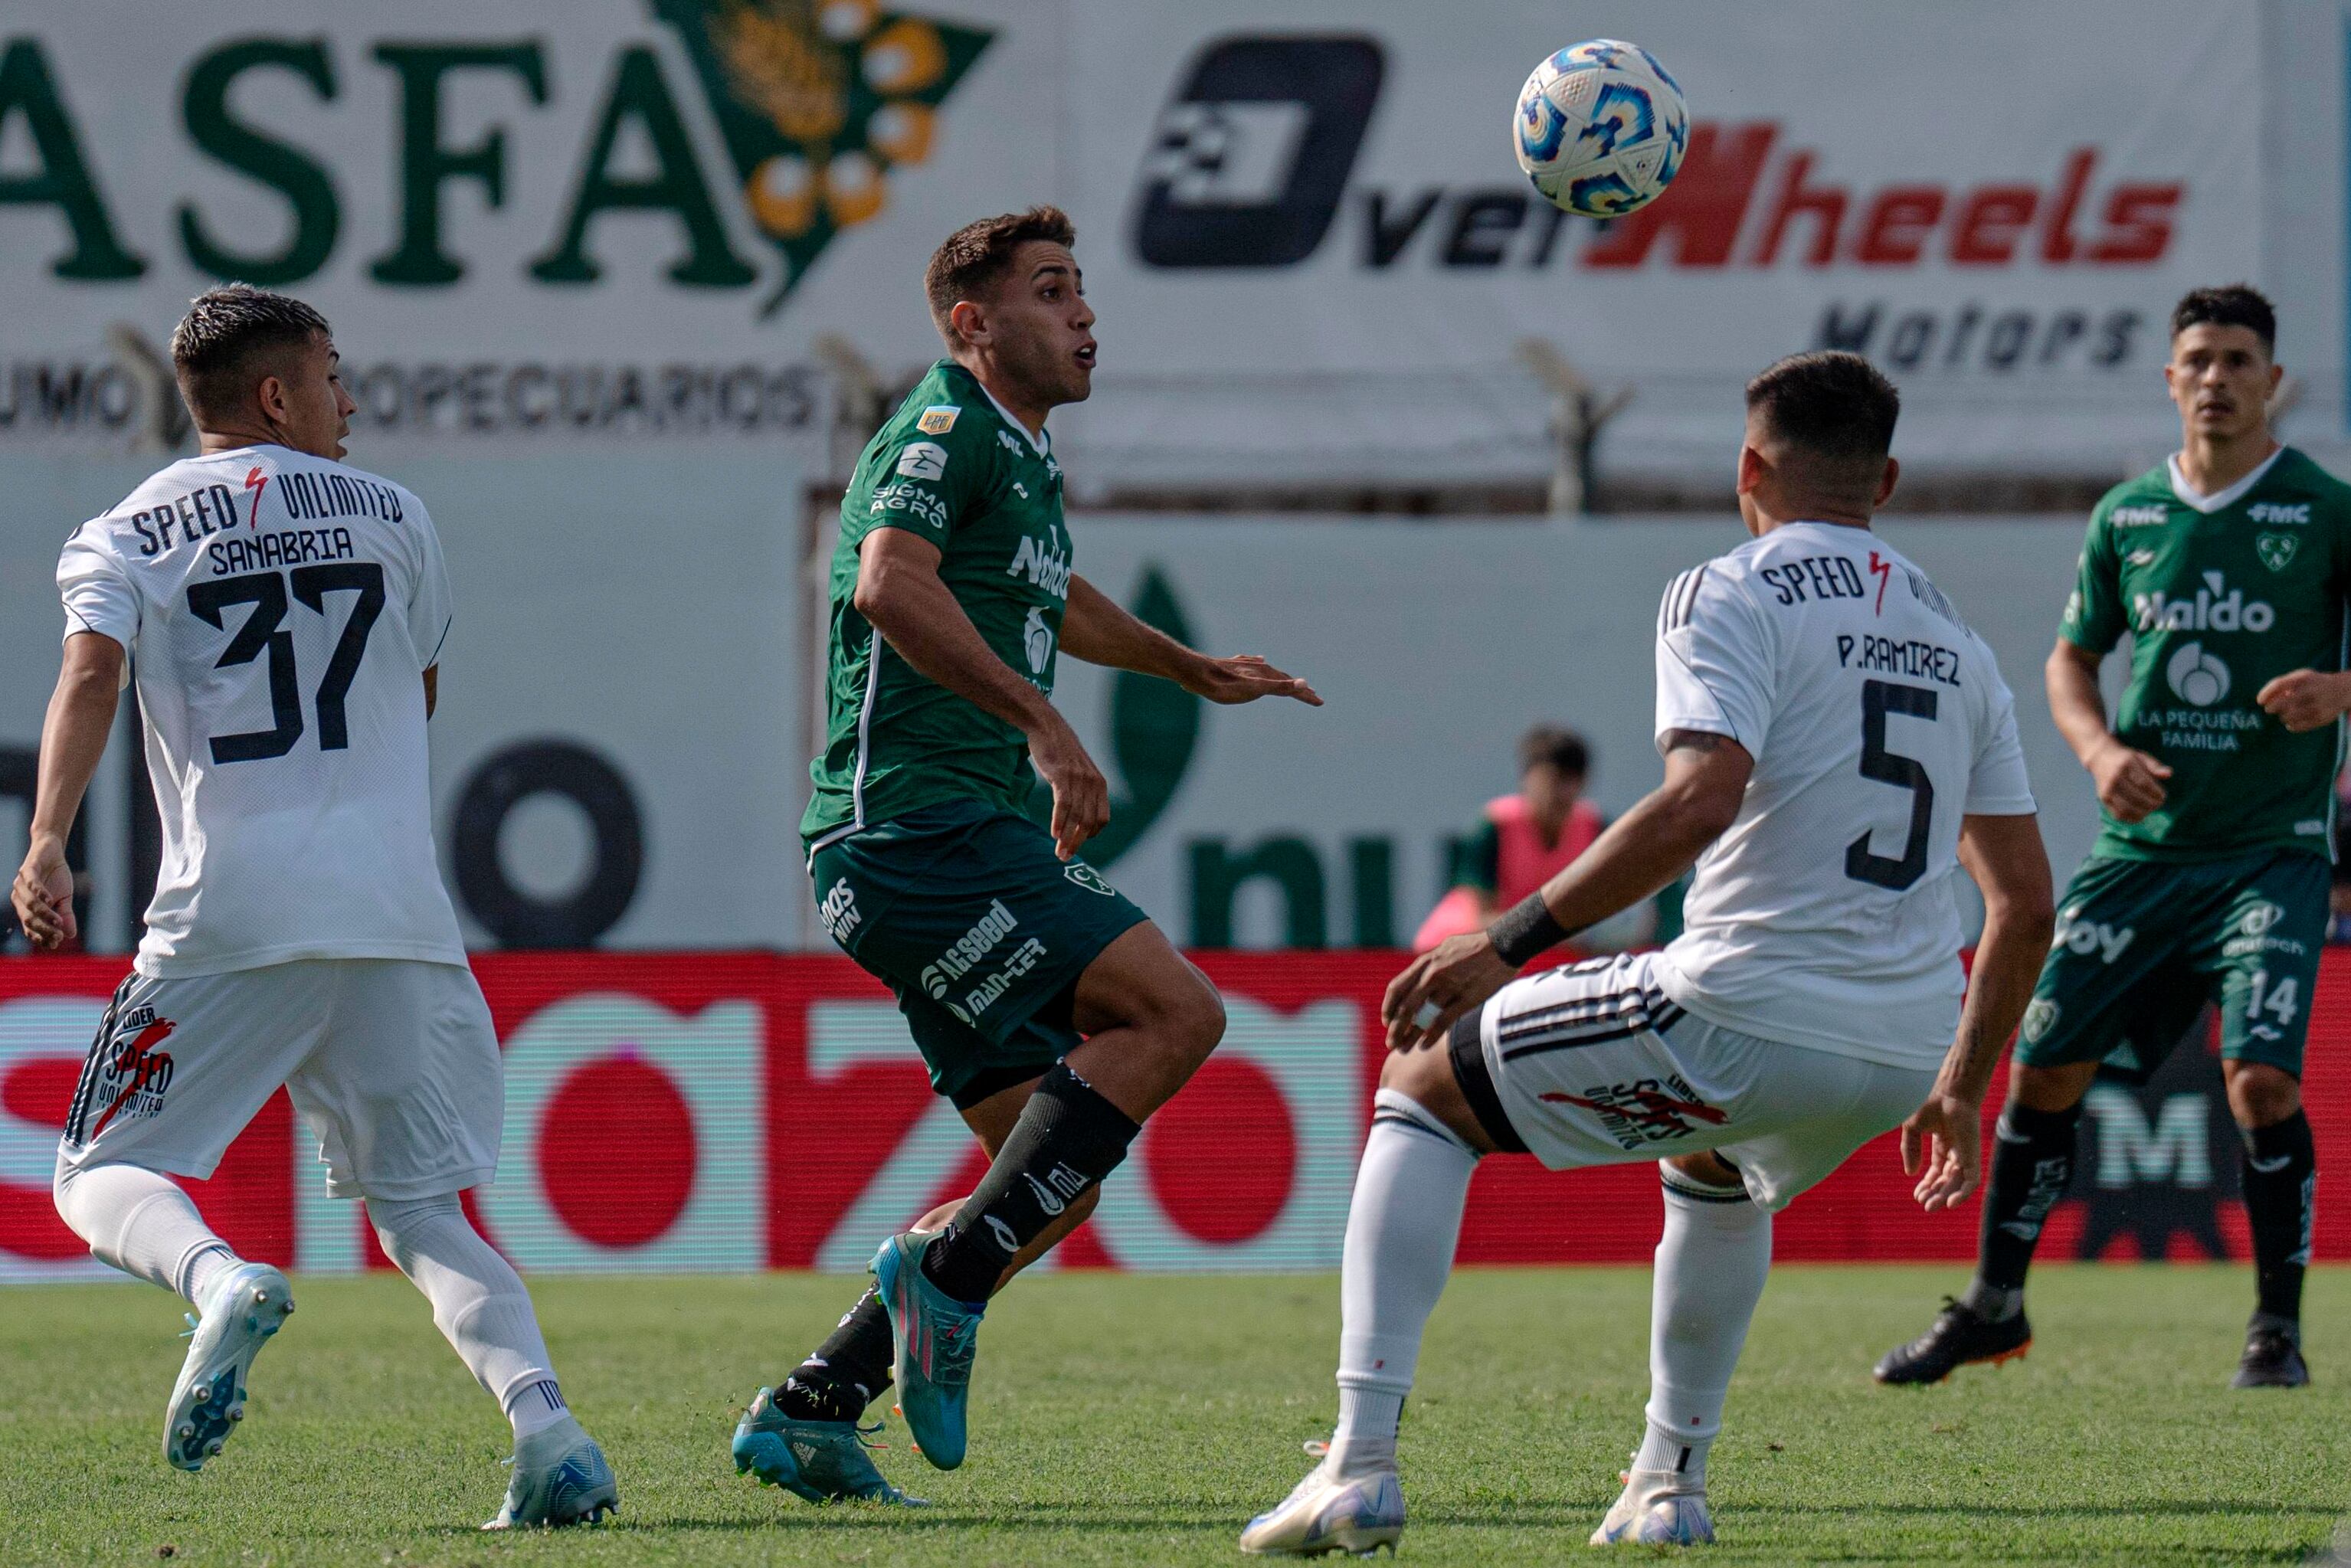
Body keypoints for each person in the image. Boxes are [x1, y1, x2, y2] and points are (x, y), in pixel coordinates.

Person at [1239, 351, 2054, 1554]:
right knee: (1712, 1163)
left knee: (1420, 1089)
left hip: (1743, 1001)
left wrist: (1500, 943)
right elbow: (2025, 902)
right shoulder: (1963, 645)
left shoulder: (1727, 589)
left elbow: (1693, 804)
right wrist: (1959, 1084)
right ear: (1884, 475)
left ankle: (1357, 1464)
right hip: (1897, 1049)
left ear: (1747, 469)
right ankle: (1668, 1484)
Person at [732, 207, 1321, 1504]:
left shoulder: (1019, 454)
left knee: (1040, 1190)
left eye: (1081, 291)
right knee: (1172, 1010)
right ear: (971, 323)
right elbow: (889, 579)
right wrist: (1051, 728)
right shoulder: (942, 427)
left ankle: (813, 1407)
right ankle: (940, 1286)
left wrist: (1181, 666)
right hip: (919, 824)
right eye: (1050, 292)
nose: (1082, 314)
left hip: (923, 839)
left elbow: (1047, 592)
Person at [12, 287, 617, 1527]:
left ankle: (216, 1278)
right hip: (397, 916)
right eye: (334, 376)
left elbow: (90, 671)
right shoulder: (398, 513)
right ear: (277, 396)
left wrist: (48, 839)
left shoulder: (128, 528)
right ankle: (547, 1431)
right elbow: (418, 687)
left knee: (99, 1170)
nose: (350, 399)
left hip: (228, 913)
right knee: (422, 1208)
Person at [1877, 284, 2347, 1392]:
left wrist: (2341, 687)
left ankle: (2274, 1329)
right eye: (2199, 358)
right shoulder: (2128, 515)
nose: (2218, 377)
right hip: (2140, 859)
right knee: (2038, 1069)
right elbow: (2069, 658)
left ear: (2272, 381)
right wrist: (2093, 752)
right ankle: (1994, 1304)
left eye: (2240, 358)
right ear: (2171, 378)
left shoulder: (2323, 510)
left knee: (2260, 1086)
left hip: (2270, 853)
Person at [1414, 725, 1652, 961]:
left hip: (1534, 958)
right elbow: (1483, 920)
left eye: (1573, 779)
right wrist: (1563, 933)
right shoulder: (1493, 826)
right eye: (1553, 778)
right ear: (1527, 778)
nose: (1563, 791)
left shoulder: (1596, 827)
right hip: (1454, 953)